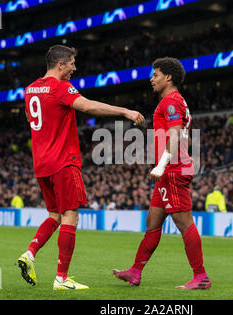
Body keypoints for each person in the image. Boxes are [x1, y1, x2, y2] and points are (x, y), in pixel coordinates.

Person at [17, 45, 145, 290]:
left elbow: (30, 119)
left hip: (41, 163)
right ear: (60, 64)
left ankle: (30, 253)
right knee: (71, 216)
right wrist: (125, 111)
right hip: (63, 161)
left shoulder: (30, 89)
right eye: (72, 63)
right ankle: (61, 278)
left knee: (55, 215)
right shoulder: (61, 87)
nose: (75, 68)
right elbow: (87, 106)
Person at [112, 57, 211, 290]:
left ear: (168, 77)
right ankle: (135, 271)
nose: (151, 79)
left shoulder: (171, 101)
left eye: (155, 74)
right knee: (153, 222)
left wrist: (162, 164)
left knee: (184, 223)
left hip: (173, 169)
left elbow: (175, 134)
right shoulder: (173, 101)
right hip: (170, 169)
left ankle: (201, 276)